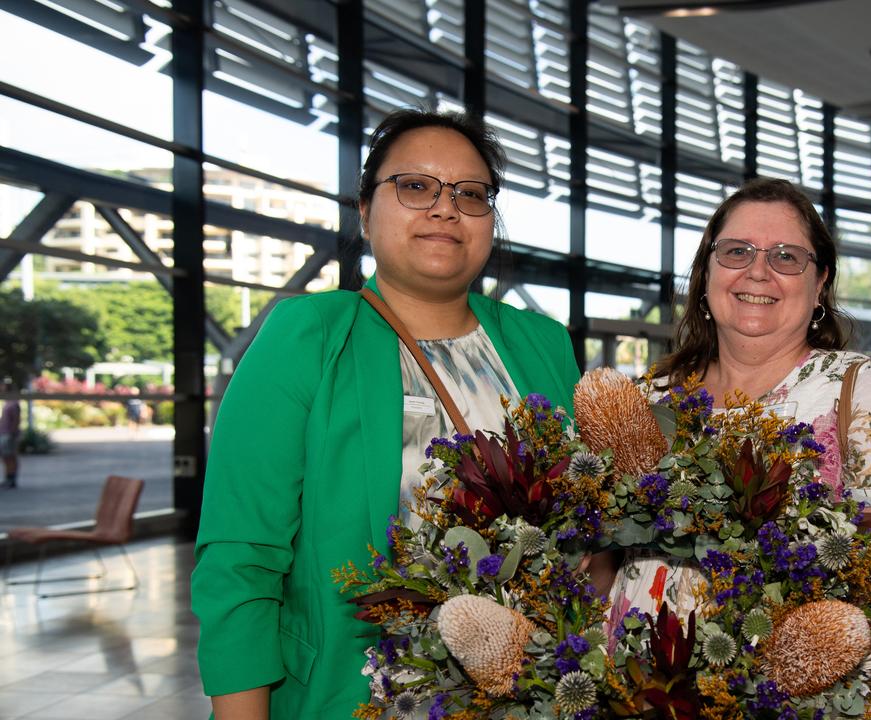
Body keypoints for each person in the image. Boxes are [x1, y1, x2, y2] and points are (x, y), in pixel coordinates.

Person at [191, 109, 581, 718]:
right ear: (366, 212)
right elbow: (241, 559)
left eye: (471, 194)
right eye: (416, 186)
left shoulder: (543, 345)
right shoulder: (310, 337)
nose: (445, 208)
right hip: (356, 696)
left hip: (530, 694)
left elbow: (587, 523)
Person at [610, 178, 871, 718]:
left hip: (807, 700)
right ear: (707, 273)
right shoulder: (649, 397)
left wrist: (814, 668)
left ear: (820, 283)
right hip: (640, 690)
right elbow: (605, 549)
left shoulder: (869, 394)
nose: (758, 271)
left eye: (787, 257)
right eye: (736, 251)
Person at [1, 381, 19, 489]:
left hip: (9, 434)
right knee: (6, 457)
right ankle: (8, 477)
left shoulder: (13, 403)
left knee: (10, 457)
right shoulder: (7, 402)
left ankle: (11, 479)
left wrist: (12, 433)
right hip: (4, 433)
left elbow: (16, 420)